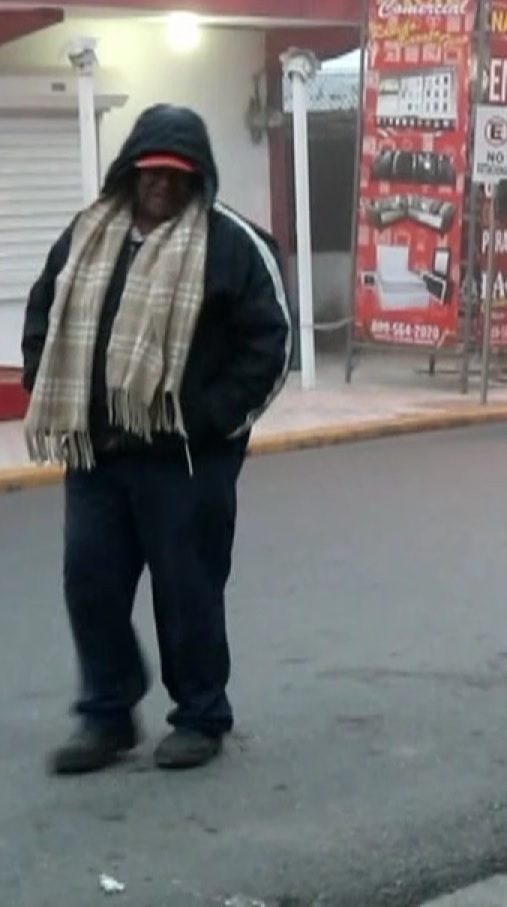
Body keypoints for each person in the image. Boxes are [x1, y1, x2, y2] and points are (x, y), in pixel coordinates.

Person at [21, 104, 292, 774]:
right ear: (131, 171)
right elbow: (44, 313)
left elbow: (270, 342)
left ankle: (200, 714)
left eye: (179, 175)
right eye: (153, 172)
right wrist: (48, 386)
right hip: (100, 455)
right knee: (91, 584)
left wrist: (210, 418)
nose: (163, 185)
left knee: (187, 590)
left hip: (187, 459)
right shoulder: (88, 235)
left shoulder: (230, 242)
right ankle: (107, 714)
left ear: (198, 177)